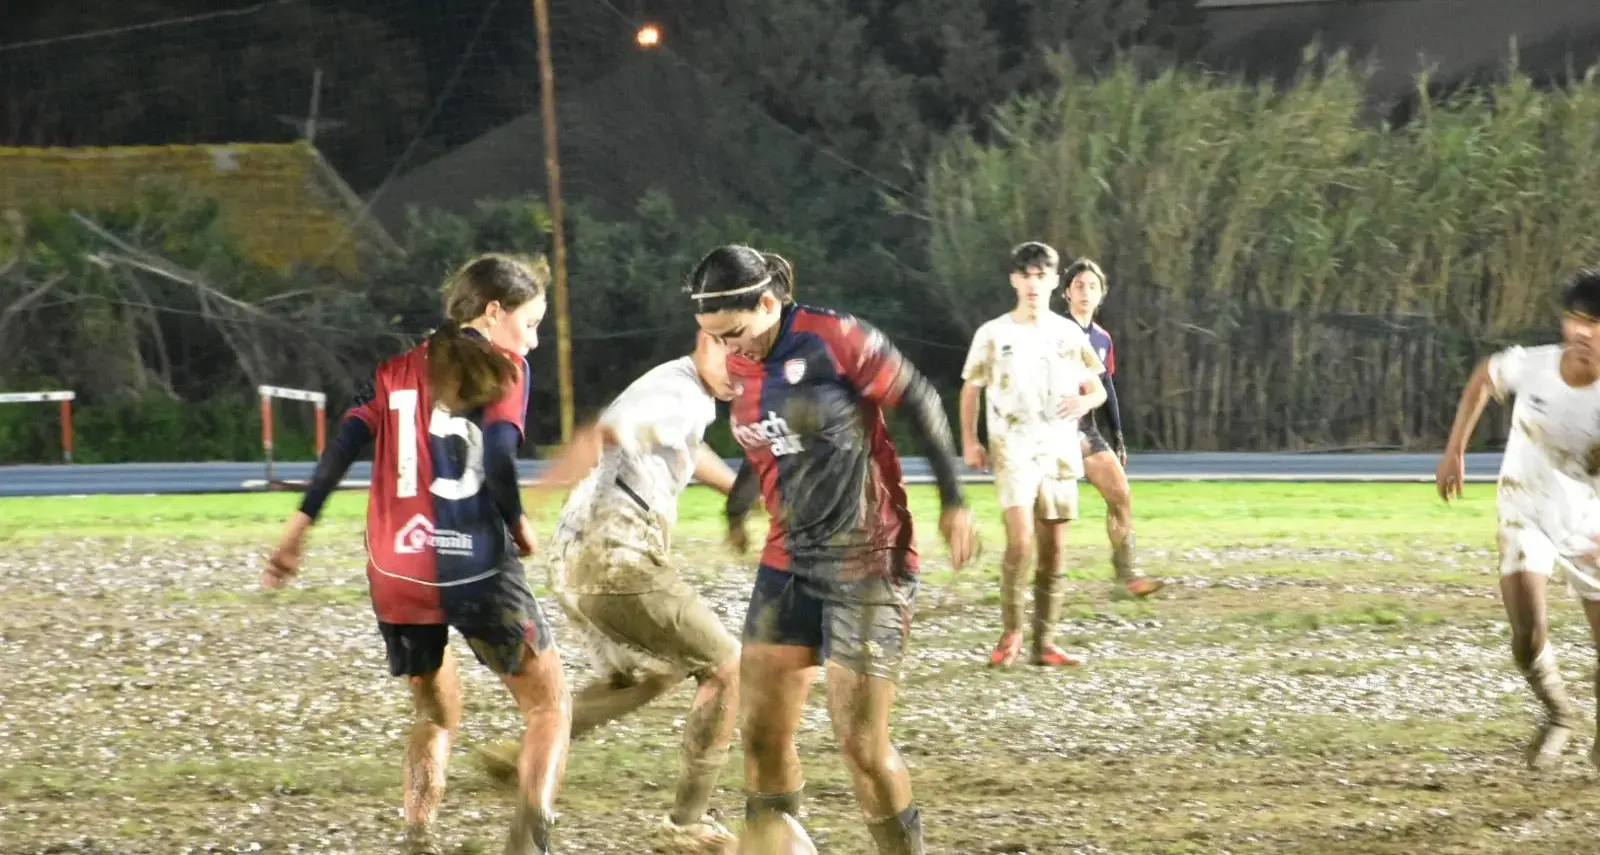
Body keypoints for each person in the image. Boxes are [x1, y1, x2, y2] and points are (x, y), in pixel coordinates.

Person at [262, 253, 571, 855]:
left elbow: (339, 450)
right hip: (476, 565)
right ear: (493, 312)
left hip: (396, 573)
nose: (531, 342)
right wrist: (519, 521)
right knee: (549, 704)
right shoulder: (505, 366)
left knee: (435, 713)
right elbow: (503, 455)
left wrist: (297, 531)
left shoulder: (391, 371)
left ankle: (417, 837)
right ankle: (529, 844)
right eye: (530, 324)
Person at [687, 244, 976, 855]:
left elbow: (921, 400)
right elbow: (767, 437)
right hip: (785, 566)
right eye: (716, 338)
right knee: (761, 737)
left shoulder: (836, 337)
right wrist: (738, 505)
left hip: (867, 564)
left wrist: (954, 501)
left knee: (862, 747)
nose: (730, 349)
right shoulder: (740, 362)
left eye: (736, 333)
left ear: (768, 303)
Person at [475, 331, 746, 853]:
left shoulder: (690, 399)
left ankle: (520, 755)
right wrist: (521, 505)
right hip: (614, 559)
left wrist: (741, 492)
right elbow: (602, 434)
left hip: (577, 561)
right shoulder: (675, 391)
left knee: (654, 671)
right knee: (728, 665)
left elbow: (686, 447)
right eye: (731, 352)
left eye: (749, 359)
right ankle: (685, 826)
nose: (741, 368)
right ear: (704, 337)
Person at [1436, 268, 1600, 770]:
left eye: (1595, 324)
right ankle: (1559, 715)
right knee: (1527, 634)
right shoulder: (1534, 366)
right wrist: (1454, 450)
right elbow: (1485, 374)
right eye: (1576, 319)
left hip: (1589, 524)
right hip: (1524, 509)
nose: (1582, 333)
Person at [959, 241, 1108, 668]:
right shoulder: (994, 333)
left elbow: (1096, 387)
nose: (1032, 283)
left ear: (1053, 281)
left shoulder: (1067, 333)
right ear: (1013, 279)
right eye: (1025, 275)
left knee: (1055, 549)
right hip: (1011, 448)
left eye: (1041, 275)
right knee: (1021, 540)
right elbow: (971, 387)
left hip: (1058, 449)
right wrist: (970, 440)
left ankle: (1046, 643)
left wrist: (1084, 403)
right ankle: (1011, 633)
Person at [1061, 257, 1164, 601]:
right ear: (1066, 293)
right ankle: (1031, 578)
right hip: (1052, 428)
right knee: (1045, 510)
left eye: (1092, 286)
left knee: (1121, 495)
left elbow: (1108, 388)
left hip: (1086, 429)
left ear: (1101, 294)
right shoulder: (1054, 331)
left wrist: (1118, 437)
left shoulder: (1102, 339)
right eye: (1079, 286)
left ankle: (1127, 575)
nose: (1085, 292)